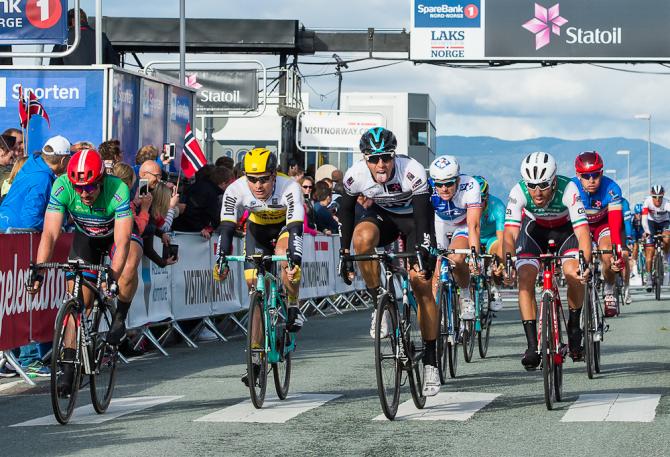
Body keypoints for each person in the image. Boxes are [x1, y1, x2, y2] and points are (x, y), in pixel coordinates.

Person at [337, 127, 439, 397]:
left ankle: (431, 361)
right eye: (373, 158)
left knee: (421, 284)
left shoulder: (412, 170)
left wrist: (425, 251)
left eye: (385, 157)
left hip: (415, 221)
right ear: (364, 159)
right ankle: (378, 302)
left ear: (394, 156)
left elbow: (422, 216)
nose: (380, 164)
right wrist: (344, 254)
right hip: (385, 219)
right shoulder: (354, 176)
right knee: (361, 239)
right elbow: (346, 214)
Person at [28, 149, 139, 396]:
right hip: (86, 237)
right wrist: (40, 270)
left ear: (100, 180)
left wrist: (113, 273)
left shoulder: (117, 188)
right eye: (79, 188)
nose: (84, 193)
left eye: (90, 187)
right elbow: (50, 233)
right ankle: (68, 368)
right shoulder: (62, 186)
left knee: (130, 261)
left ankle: (120, 317)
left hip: (115, 237)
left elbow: (121, 242)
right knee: (76, 302)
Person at [215, 148, 304, 385]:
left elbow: (296, 227)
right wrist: (221, 256)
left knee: (284, 256)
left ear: (274, 175)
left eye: (264, 179)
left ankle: (293, 305)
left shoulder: (290, 187)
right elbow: (226, 226)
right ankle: (255, 360)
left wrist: (295, 260)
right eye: (252, 179)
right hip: (257, 232)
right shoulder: (236, 189)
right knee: (254, 289)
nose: (258, 185)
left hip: (285, 227)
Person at [503, 152, 591, 370]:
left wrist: (585, 262)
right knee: (525, 279)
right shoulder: (518, 191)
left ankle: (573, 326)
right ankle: (532, 346)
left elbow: (582, 231)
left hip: (565, 232)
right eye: (532, 185)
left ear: (553, 181)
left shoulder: (568, 188)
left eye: (543, 185)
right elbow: (510, 233)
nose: (537, 192)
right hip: (534, 232)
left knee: (573, 273)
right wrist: (506, 260)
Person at [428, 155, 484, 318]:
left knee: (456, 257)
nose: (444, 189)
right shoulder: (427, 187)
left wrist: (474, 256)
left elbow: (473, 225)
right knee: (437, 267)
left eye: (449, 183)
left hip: (462, 224)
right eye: (439, 184)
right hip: (440, 223)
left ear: (458, 180)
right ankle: (434, 315)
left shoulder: (470, 186)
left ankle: (465, 295)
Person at [571, 151, 625, 317]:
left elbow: (615, 225)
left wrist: (617, 252)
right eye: (586, 176)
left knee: (608, 253)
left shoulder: (612, 189)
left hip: (603, 225)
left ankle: (609, 288)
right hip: (580, 226)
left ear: (601, 173)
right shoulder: (570, 188)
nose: (592, 180)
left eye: (596, 175)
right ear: (578, 175)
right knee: (576, 257)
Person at [0, 136, 72, 232]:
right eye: (69, 158)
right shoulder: (42, 178)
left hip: (5, 224)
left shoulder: (31, 165)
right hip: (14, 234)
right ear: (63, 160)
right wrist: (56, 224)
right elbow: (31, 219)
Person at [472, 175, 506, 311]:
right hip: (473, 237)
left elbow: (502, 238)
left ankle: (496, 289)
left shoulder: (497, 205)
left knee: (499, 255)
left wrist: (501, 261)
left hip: (491, 238)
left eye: (482, 201)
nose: (479, 204)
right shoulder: (465, 204)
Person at [172, 166, 230, 237]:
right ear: (223, 183)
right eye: (229, 184)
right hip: (187, 233)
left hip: (192, 231)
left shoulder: (211, 190)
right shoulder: (206, 190)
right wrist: (200, 228)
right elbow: (190, 210)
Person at [50, 8, 119, 66]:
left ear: (71, 22)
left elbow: (53, 66)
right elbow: (114, 63)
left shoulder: (63, 38)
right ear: (85, 21)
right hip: (96, 80)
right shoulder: (101, 37)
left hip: (70, 80)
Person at [641, 185, 670, 292]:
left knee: (667, 239)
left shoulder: (667, 203)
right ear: (651, 195)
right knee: (649, 252)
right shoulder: (647, 202)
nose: (657, 200)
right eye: (654, 197)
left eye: (660, 197)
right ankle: (648, 277)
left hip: (664, 223)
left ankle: (666, 258)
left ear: (663, 196)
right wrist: (647, 232)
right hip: (651, 223)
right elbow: (644, 220)